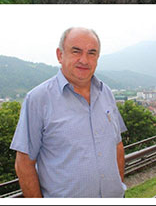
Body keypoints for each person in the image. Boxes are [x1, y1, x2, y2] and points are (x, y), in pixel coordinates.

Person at [10, 27, 127, 198]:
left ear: (97, 58)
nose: (84, 60)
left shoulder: (106, 93)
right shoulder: (38, 99)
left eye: (91, 53)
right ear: (60, 55)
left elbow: (117, 145)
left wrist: (118, 188)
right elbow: (24, 163)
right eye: (76, 51)